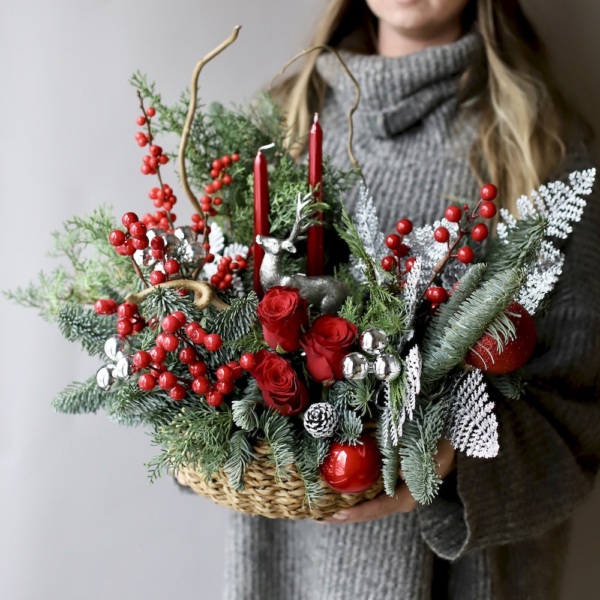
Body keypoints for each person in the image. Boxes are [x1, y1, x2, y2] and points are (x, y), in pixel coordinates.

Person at [223, 1, 600, 598]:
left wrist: (452, 457)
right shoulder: (281, 127)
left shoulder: (542, 147)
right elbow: (216, 330)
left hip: (466, 578)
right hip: (295, 572)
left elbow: (579, 417)